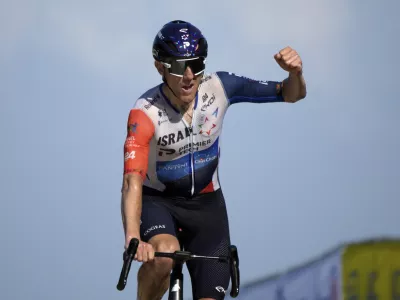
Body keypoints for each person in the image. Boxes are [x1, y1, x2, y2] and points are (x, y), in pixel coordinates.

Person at [120, 20, 307, 300]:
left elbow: (291, 94)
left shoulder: (219, 87)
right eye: (179, 66)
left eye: (196, 63)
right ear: (160, 67)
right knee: (164, 255)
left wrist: (296, 74)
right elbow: (131, 180)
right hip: (159, 202)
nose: (189, 75)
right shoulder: (144, 113)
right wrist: (134, 238)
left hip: (207, 206)